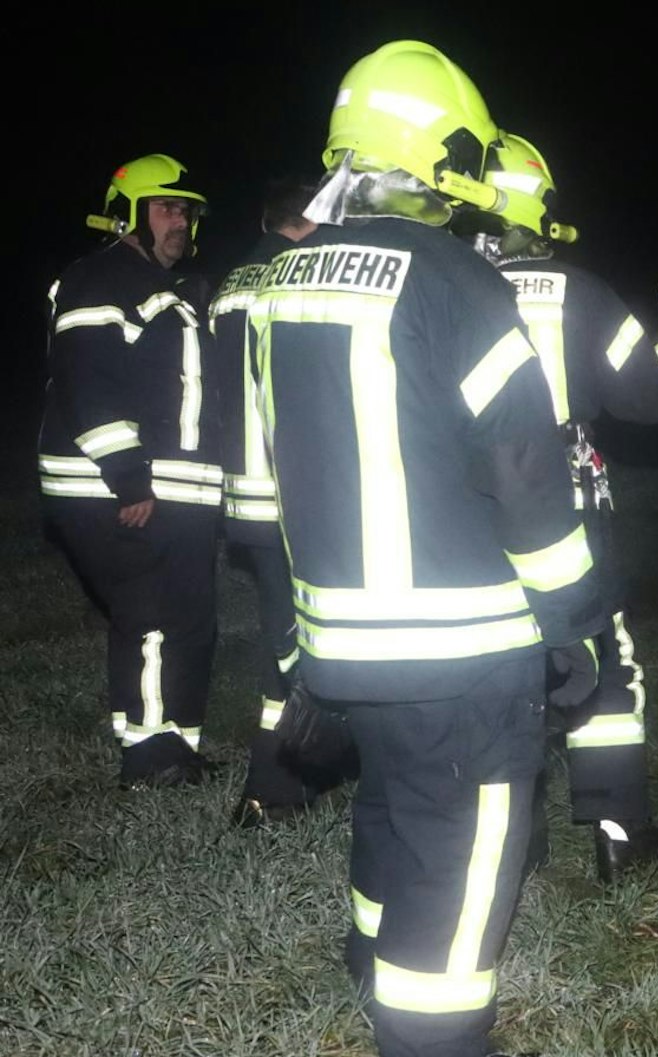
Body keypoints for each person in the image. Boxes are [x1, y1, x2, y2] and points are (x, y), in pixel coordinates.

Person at [245, 40, 605, 1057]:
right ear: (445, 158)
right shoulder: (460, 285)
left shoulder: (280, 279)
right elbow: (528, 477)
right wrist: (574, 625)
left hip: (339, 643)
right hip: (462, 653)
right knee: (461, 864)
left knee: (395, 806)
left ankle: (368, 958)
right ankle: (429, 1035)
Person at [461, 129, 658, 882]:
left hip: (464, 506)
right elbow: (651, 396)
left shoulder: (440, 288)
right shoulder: (580, 289)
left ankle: (512, 838)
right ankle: (617, 832)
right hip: (564, 502)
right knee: (602, 657)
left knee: (501, 658)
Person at [37, 153, 223, 789]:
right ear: (130, 214)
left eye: (189, 212)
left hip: (176, 485)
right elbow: (86, 385)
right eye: (169, 208)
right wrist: (129, 477)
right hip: (111, 487)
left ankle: (177, 743)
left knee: (189, 616)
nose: (183, 223)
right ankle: (150, 755)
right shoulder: (99, 277)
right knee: (152, 613)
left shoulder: (170, 287)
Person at [212, 177, 357, 827]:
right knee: (319, 645)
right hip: (299, 494)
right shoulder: (296, 278)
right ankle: (296, 774)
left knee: (283, 642)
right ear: (308, 221)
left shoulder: (227, 282)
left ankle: (276, 785)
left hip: (246, 495)